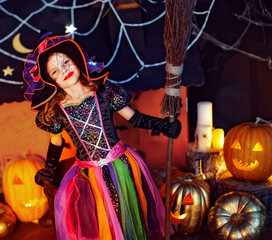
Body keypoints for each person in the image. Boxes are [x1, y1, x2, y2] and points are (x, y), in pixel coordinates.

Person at [23, 31, 181, 240]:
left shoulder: (104, 92)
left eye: (66, 62)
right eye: (55, 71)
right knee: (105, 217)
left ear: (77, 61)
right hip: (90, 173)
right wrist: (49, 171)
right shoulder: (57, 113)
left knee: (128, 212)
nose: (64, 71)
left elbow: (134, 118)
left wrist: (161, 125)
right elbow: (56, 143)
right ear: (51, 81)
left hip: (120, 164)